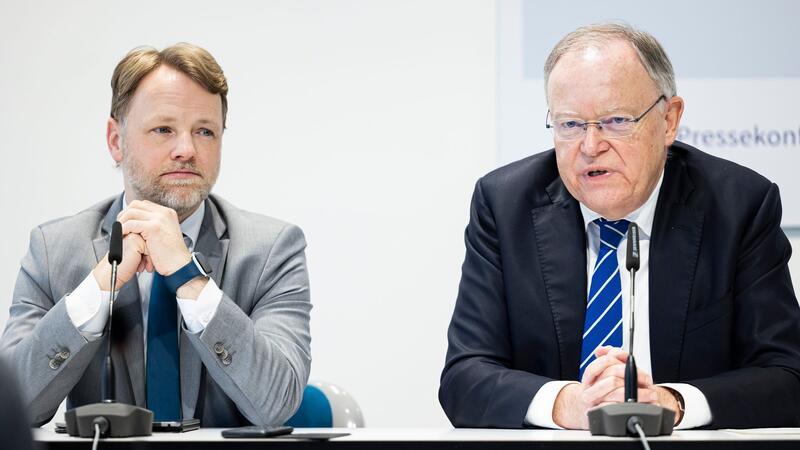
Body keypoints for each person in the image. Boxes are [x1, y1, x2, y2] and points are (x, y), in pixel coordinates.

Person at [439, 23, 800, 429]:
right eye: (570, 125)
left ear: (669, 120)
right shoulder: (505, 207)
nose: (591, 146)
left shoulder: (738, 206)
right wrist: (567, 404)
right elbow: (464, 378)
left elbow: (786, 377)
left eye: (615, 121)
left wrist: (672, 403)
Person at [1, 43, 311, 428]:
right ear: (116, 141)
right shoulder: (54, 249)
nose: (186, 149)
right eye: (163, 129)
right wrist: (97, 290)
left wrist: (186, 274)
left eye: (205, 131)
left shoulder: (272, 250)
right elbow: (12, 406)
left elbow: (276, 403)